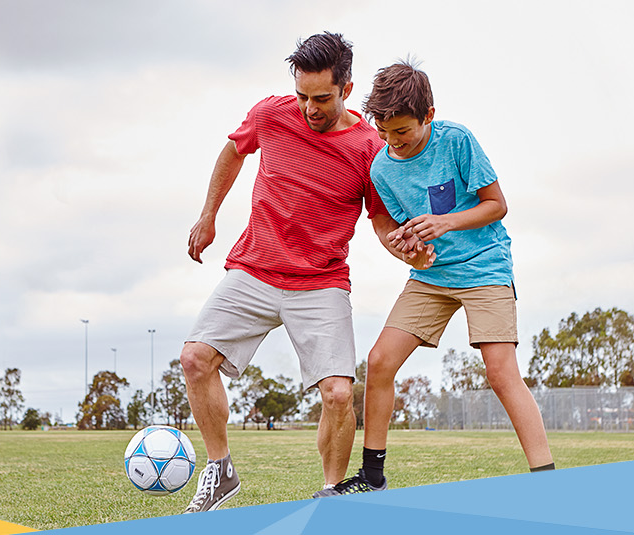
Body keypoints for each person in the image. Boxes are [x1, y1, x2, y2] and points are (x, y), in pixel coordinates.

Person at [179, 33, 433, 513]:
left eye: (322, 98)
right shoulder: (271, 114)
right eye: (302, 96)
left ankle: (332, 494)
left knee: (339, 393)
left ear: (347, 89)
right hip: (254, 268)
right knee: (194, 358)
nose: (310, 108)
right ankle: (221, 471)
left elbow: (380, 222)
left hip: (320, 282)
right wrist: (208, 214)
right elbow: (233, 152)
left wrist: (406, 251)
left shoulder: (368, 149)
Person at [321, 60, 554, 496]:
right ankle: (372, 479)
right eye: (385, 132)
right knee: (379, 362)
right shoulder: (381, 168)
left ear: (428, 115)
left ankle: (546, 479)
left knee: (501, 372)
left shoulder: (457, 140)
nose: (394, 143)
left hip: (485, 266)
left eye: (403, 132)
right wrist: (412, 249)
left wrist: (446, 224)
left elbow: (497, 205)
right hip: (431, 278)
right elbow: (398, 232)